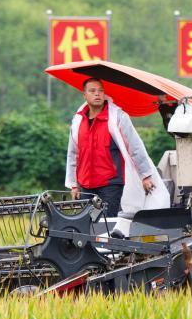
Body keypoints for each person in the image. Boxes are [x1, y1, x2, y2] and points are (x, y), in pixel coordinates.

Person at [65, 77, 169, 218]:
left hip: (110, 185)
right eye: (92, 91)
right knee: (87, 226)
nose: (97, 94)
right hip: (85, 185)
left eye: (101, 91)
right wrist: (74, 185)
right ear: (84, 95)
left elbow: (134, 146)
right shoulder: (78, 121)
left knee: (106, 225)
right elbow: (73, 154)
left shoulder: (117, 117)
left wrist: (145, 175)